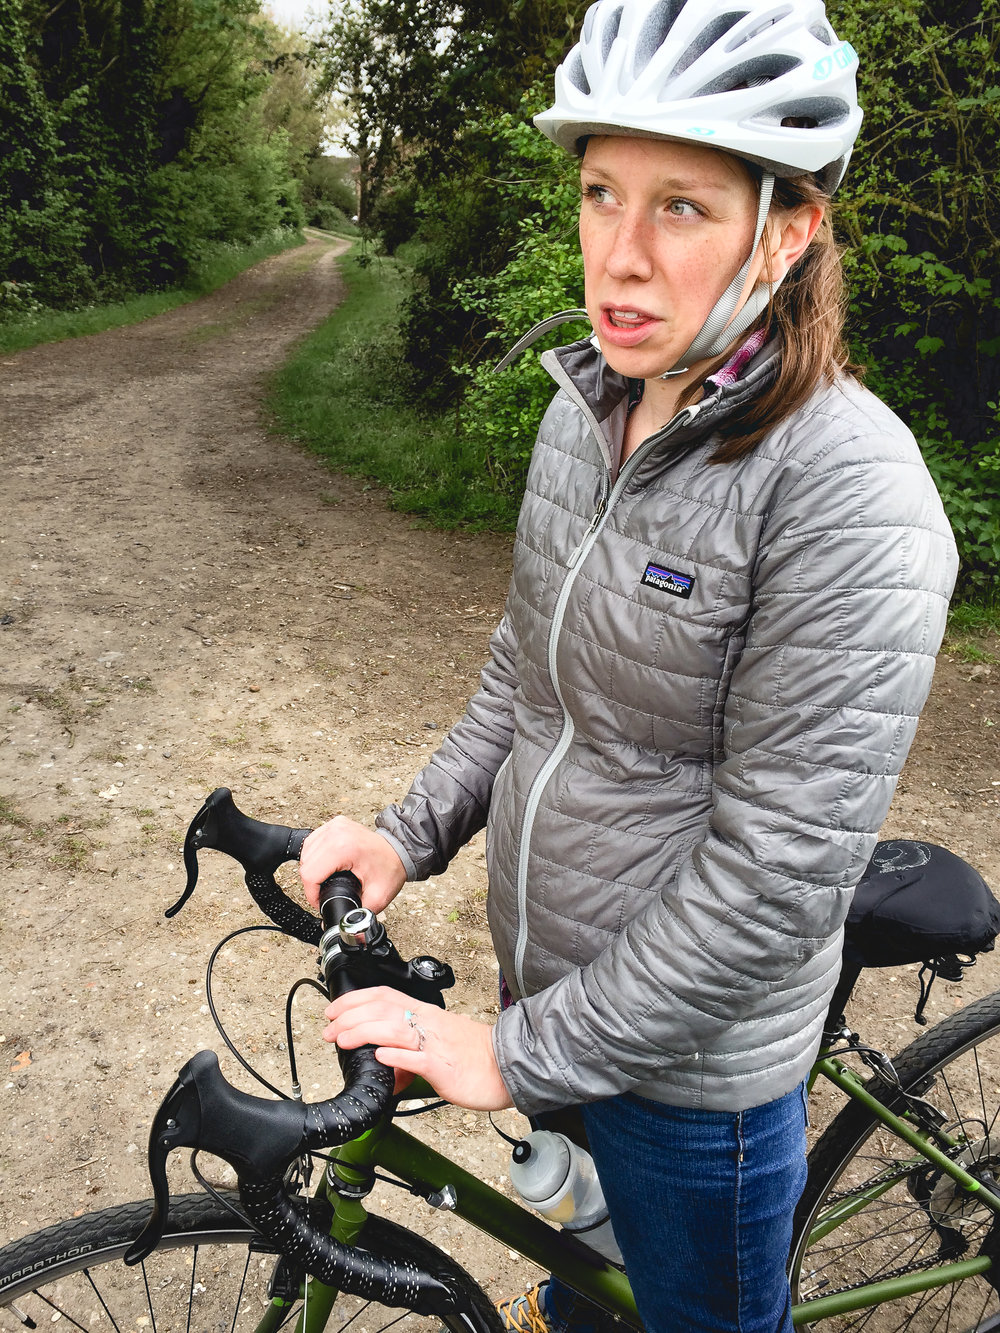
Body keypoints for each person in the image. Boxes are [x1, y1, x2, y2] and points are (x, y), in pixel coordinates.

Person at [300, 1, 959, 1329]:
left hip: (694, 1079)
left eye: (682, 208)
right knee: (592, 1298)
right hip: (567, 1008)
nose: (621, 256)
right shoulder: (583, 407)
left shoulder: (849, 493)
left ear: (787, 229)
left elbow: (775, 879)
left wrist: (514, 1052)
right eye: (604, 192)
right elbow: (526, 681)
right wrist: (407, 833)